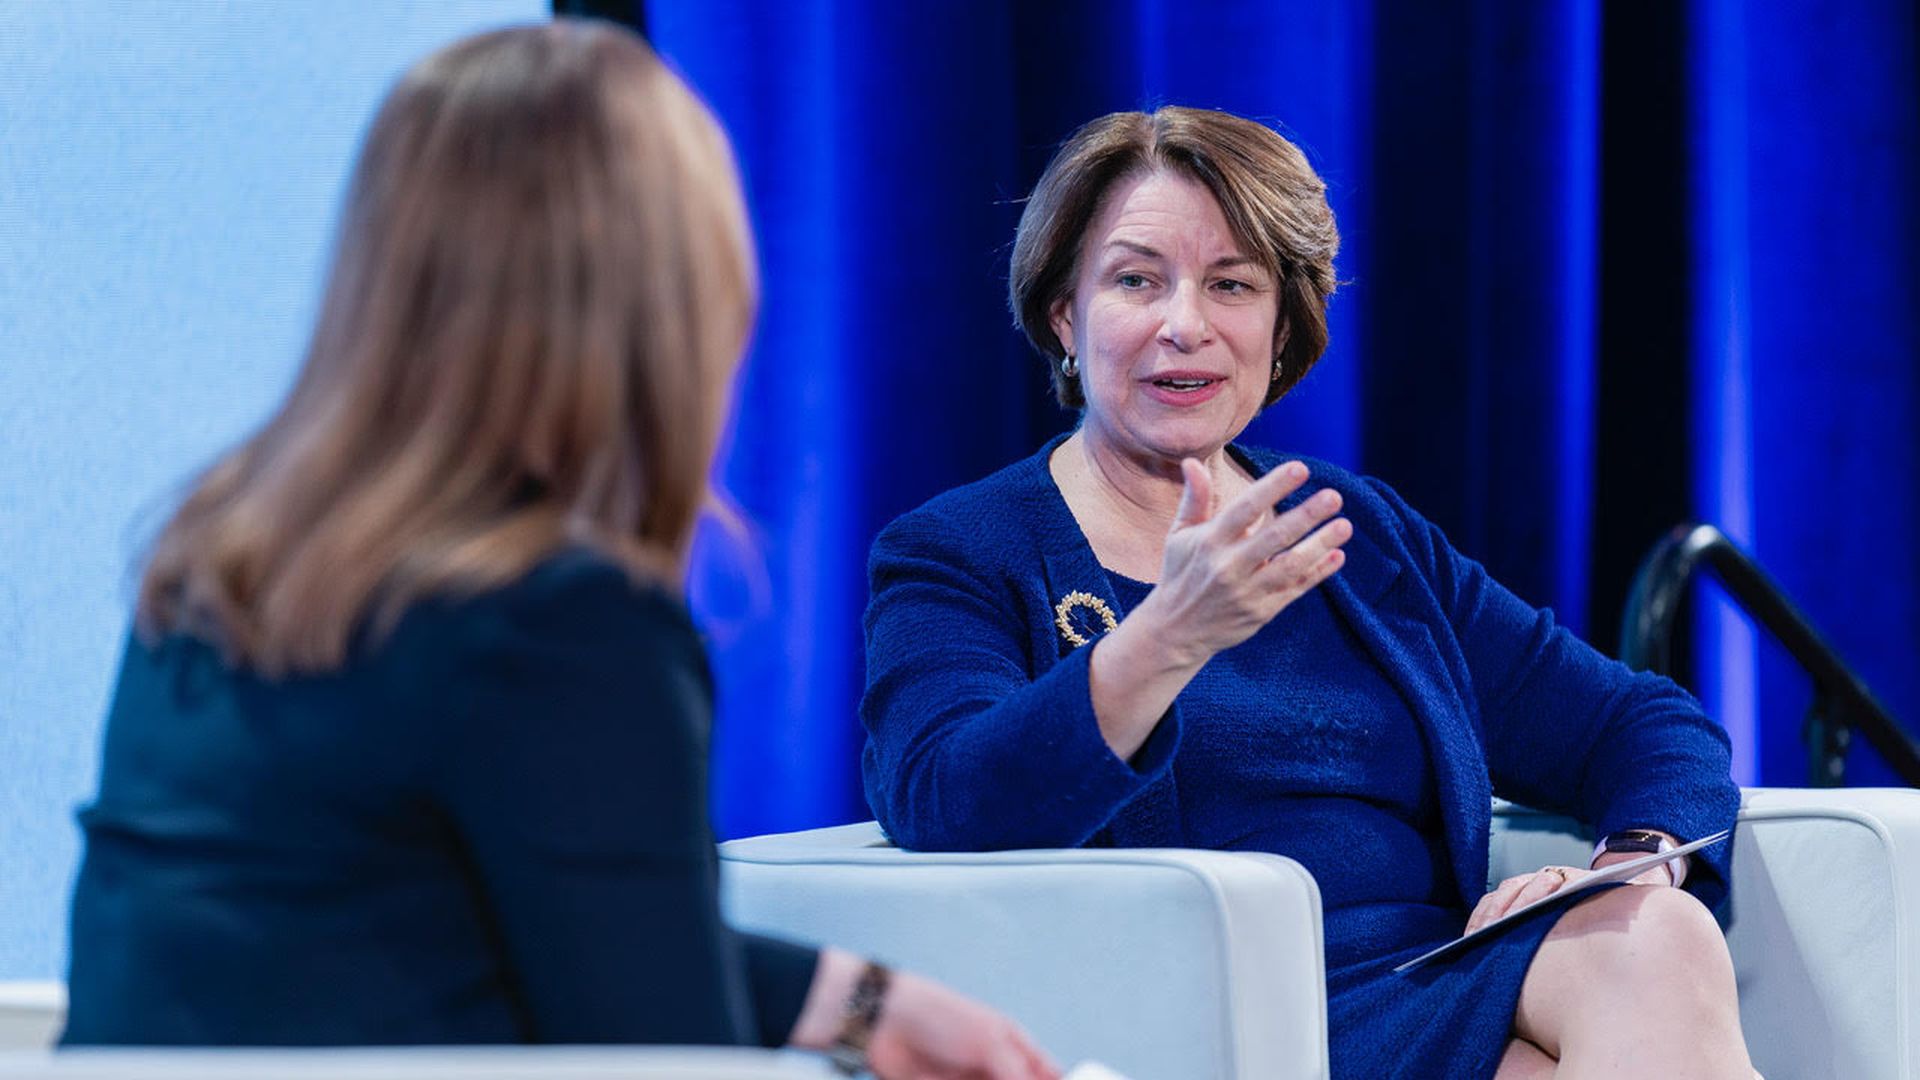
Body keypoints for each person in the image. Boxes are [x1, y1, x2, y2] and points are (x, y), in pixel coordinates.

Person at [61, 21, 1057, 1080]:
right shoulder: (562, 621)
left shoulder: (224, 561)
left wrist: (862, 1001)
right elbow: (667, 1056)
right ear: (668, 302)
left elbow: (535, 928)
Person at [861, 106, 1756, 1079]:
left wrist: (1638, 853)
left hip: (1430, 979)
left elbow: (1641, 722)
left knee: (1648, 931)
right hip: (1220, 1017)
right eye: (1135, 280)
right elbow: (943, 795)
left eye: (1232, 284)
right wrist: (1167, 637)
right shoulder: (960, 551)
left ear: (1282, 325)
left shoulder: (1357, 531)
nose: (1184, 324)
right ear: (1064, 314)